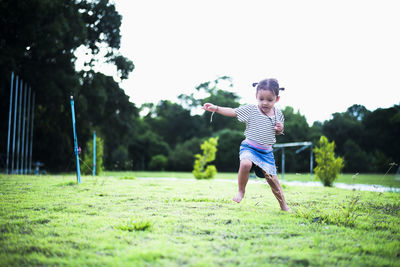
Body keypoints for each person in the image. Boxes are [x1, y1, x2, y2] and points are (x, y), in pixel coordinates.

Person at [202, 78, 289, 211]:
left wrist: (280, 129)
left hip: (266, 152)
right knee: (245, 164)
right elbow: (233, 111)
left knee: (272, 179)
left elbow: (278, 132)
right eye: (261, 99)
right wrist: (217, 108)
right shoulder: (251, 110)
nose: (265, 102)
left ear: (276, 99)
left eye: (269, 100)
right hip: (249, 147)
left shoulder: (278, 114)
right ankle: (241, 191)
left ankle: (283, 205)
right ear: (256, 96)